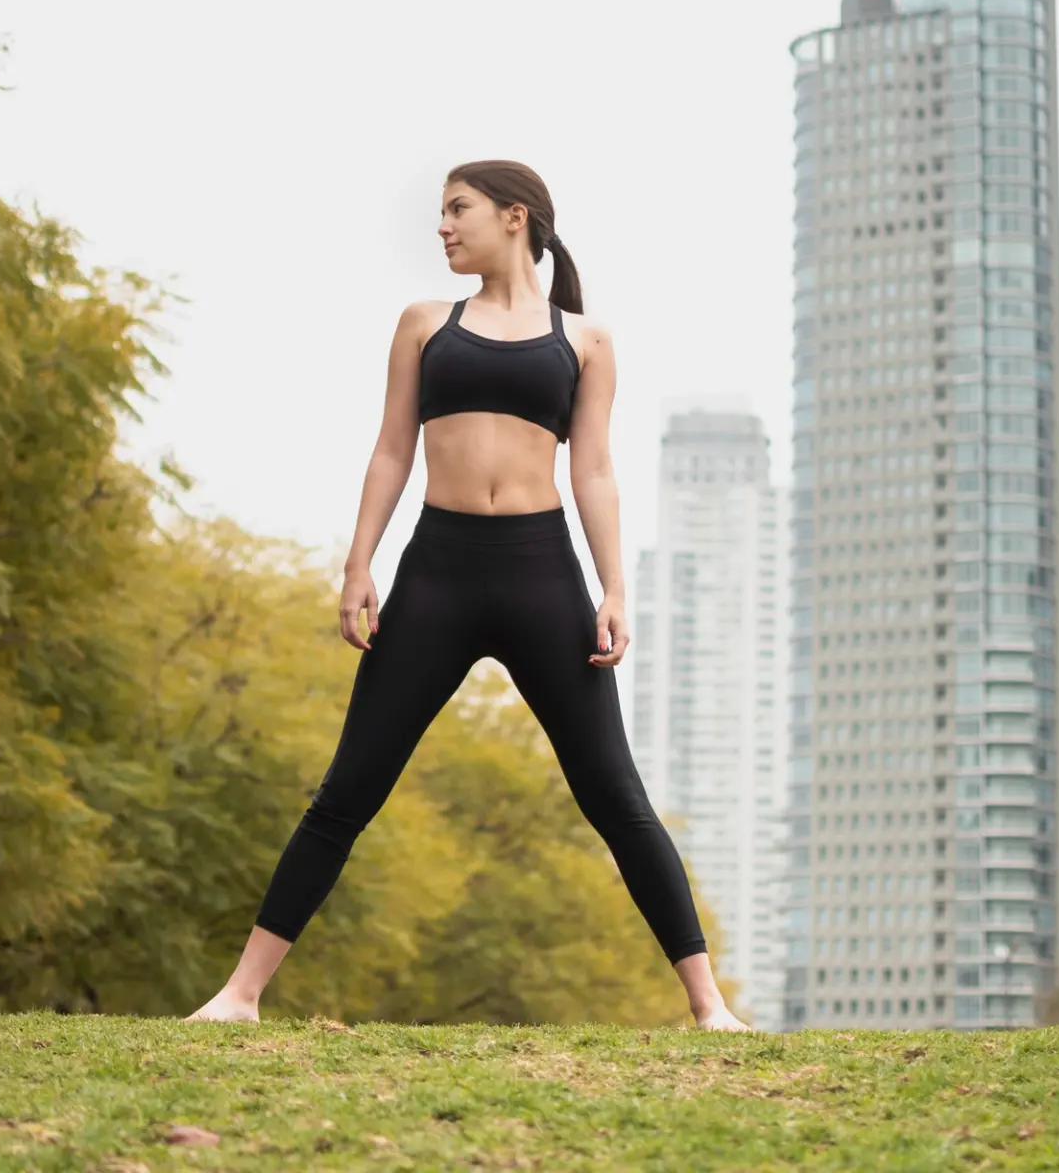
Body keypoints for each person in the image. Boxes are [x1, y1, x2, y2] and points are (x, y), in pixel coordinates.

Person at [184, 160, 751, 1032]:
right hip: (437, 573)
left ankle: (710, 1006)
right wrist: (359, 564)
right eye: (441, 212)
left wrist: (614, 590)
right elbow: (391, 450)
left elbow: (595, 469)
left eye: (458, 209)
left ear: (514, 217)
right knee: (348, 790)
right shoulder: (424, 324)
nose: (443, 227)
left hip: (542, 574)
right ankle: (240, 995)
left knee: (614, 794)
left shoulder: (586, 340)